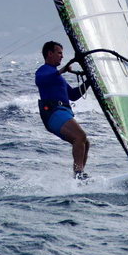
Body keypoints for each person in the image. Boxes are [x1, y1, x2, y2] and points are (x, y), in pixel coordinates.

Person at [35, 41, 91, 179]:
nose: (62, 56)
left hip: (63, 111)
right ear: (50, 53)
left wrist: (89, 81)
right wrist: (62, 70)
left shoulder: (58, 77)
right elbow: (40, 81)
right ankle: (78, 174)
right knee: (80, 136)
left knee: (85, 142)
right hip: (52, 112)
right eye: (59, 53)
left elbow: (73, 95)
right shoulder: (43, 70)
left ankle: (79, 176)